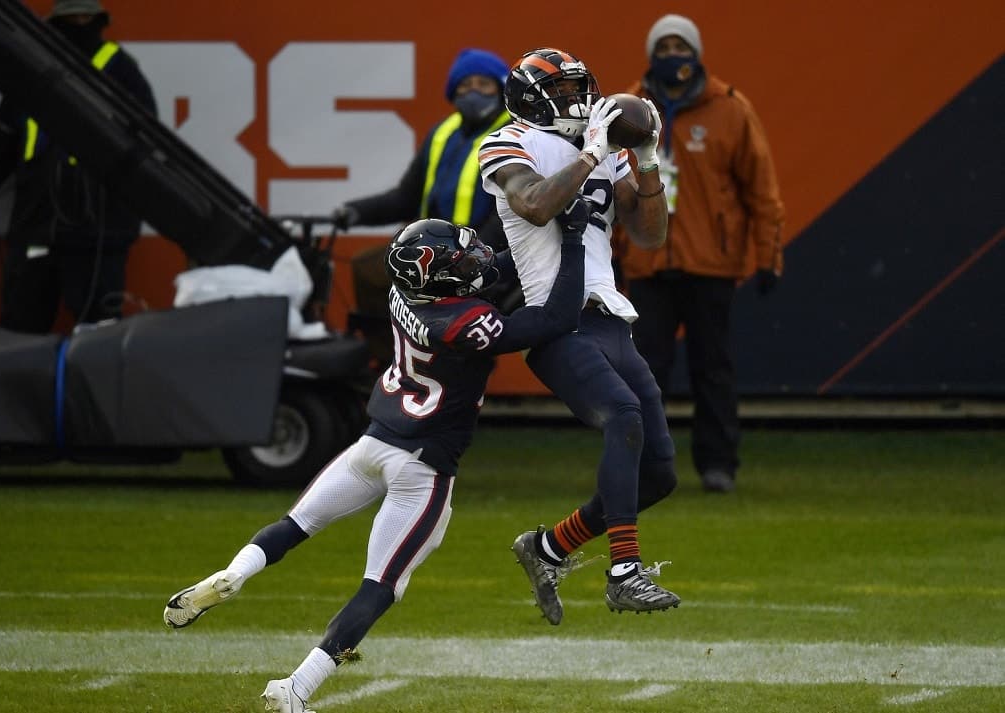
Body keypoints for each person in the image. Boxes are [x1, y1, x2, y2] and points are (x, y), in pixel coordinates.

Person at [162, 207, 589, 713]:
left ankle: (235, 572)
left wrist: (542, 230)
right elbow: (556, 318)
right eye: (459, 257)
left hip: (372, 445)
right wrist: (574, 240)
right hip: (422, 468)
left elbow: (490, 268)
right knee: (381, 586)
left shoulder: (404, 292)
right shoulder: (462, 322)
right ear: (441, 277)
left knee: (294, 525)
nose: (472, 257)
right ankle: (295, 688)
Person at [478, 48, 679, 624]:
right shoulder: (506, 143)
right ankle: (624, 572)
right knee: (623, 414)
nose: (579, 100)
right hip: (557, 317)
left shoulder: (601, 150)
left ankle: (548, 548)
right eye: (564, 92)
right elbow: (534, 205)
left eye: (579, 88)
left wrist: (645, 159)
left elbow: (650, 235)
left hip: (610, 317)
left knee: (659, 474)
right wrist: (592, 152)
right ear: (530, 99)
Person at [613, 14, 786, 493]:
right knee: (643, 371)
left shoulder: (730, 109)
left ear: (697, 53)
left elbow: (762, 191)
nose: (673, 56)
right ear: (651, 55)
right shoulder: (628, 110)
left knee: (713, 368)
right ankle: (643, 463)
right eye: (664, 47)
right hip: (646, 263)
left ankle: (718, 465)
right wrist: (611, 255)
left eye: (680, 47)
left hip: (711, 263)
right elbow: (607, 186)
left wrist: (768, 257)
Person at [0, 0, 156, 334]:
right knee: (20, 330)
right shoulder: (32, 71)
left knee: (100, 334)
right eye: (71, 19)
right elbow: (5, 141)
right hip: (38, 226)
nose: (78, 25)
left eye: (84, 18)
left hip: (98, 231)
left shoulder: (120, 68)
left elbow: (146, 143)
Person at [331, 48, 514, 367]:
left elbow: (508, 213)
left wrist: (470, 258)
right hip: (435, 250)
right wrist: (353, 211)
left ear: (500, 89)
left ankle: (451, 369)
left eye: (483, 84)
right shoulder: (443, 133)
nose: (473, 92)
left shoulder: (512, 135)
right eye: (464, 85)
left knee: (433, 300)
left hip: (482, 254)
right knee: (368, 268)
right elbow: (406, 197)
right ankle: (392, 361)